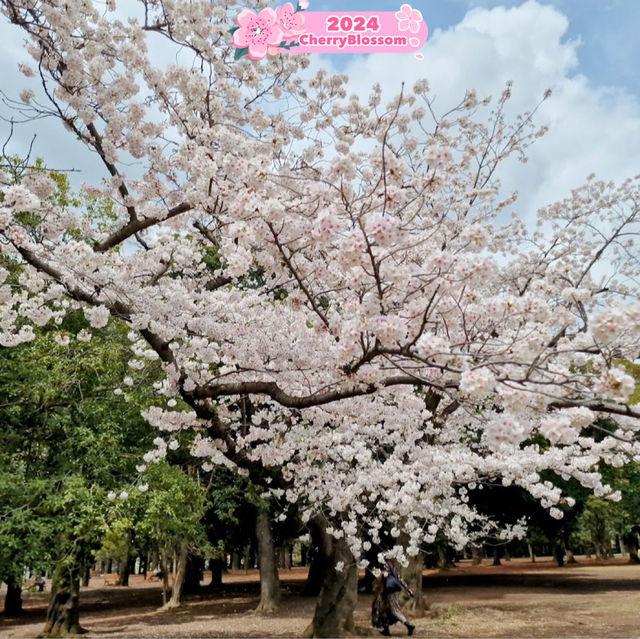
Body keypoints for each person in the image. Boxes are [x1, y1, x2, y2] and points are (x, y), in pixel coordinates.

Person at [371, 560, 416, 636]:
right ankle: (386, 630)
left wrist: (408, 590)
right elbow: (399, 577)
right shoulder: (391, 564)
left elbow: (383, 576)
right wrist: (408, 589)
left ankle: (408, 625)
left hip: (388, 591)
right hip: (388, 591)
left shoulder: (386, 564)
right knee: (384, 610)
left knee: (394, 610)